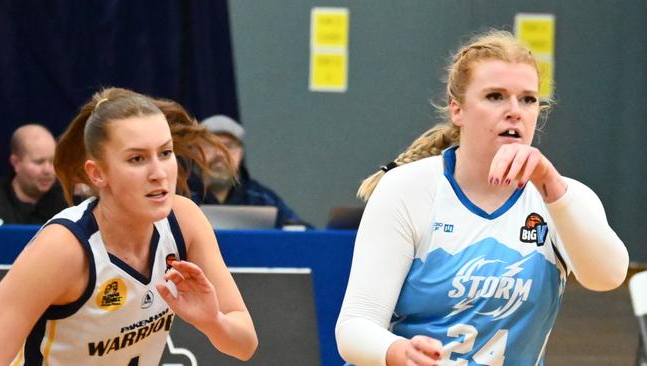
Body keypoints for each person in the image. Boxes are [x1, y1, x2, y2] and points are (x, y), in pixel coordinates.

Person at [335, 30, 629, 366]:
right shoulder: (407, 188)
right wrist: (399, 352)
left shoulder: (564, 197)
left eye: (528, 99)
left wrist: (550, 184)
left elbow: (608, 277)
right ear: (457, 109)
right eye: (495, 96)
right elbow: (353, 328)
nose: (515, 111)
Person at [0, 88, 258, 364]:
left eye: (165, 153)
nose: (158, 173)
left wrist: (213, 321)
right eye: (137, 159)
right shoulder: (65, 247)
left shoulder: (184, 220)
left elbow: (245, 345)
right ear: (97, 173)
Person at [188, 114, 311, 229]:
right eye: (210, 145)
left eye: (229, 146)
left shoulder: (261, 198)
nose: (220, 153)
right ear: (195, 152)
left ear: (241, 153)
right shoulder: (181, 195)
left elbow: (301, 233)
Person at [0, 124, 67, 225]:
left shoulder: (69, 202)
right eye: (38, 162)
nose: (48, 170)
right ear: (15, 162)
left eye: (53, 161)